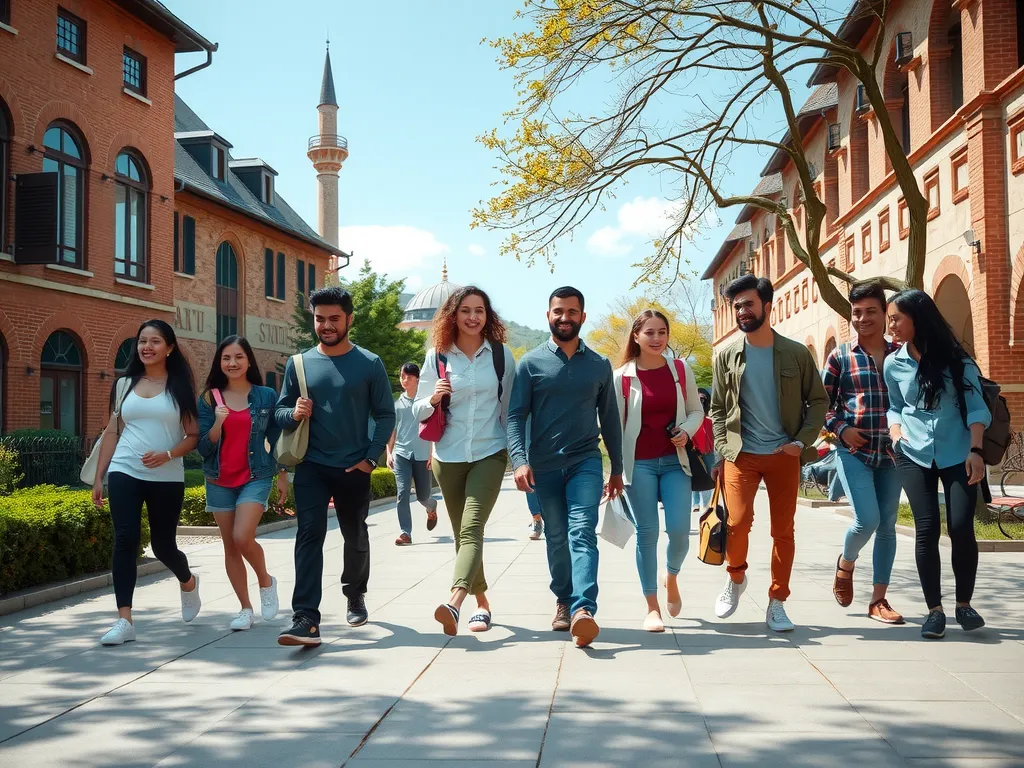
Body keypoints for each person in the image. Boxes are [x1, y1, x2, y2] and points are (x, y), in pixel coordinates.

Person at [274, 286, 396, 646]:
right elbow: (279, 413)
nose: (326, 325)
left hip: (353, 468)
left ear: (349, 320)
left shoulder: (369, 363)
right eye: (320, 319)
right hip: (310, 465)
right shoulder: (299, 364)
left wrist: (370, 458)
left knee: (355, 534)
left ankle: (354, 592)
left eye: (334, 319)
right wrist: (293, 412)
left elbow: (386, 415)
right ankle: (305, 618)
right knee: (308, 536)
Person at [507, 286, 624, 648]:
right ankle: (563, 598)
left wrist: (616, 468)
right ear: (548, 316)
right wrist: (519, 460)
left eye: (572, 312)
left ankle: (583, 609)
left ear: (582, 317)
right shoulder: (530, 363)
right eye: (558, 311)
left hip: (585, 461)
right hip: (543, 465)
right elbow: (514, 416)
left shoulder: (599, 364)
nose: (565, 317)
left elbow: (610, 418)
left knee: (582, 532)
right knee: (556, 536)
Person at [710, 275, 827, 632]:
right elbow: (717, 408)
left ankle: (777, 601)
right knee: (737, 522)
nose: (742, 311)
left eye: (748, 304)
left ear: (767, 306)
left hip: (784, 455)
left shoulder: (795, 353)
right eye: (737, 307)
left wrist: (801, 443)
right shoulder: (727, 356)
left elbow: (819, 400)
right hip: (741, 454)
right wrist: (721, 450)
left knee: (783, 531)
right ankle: (736, 577)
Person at [884, 289, 991, 639]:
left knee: (961, 526)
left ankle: (964, 604)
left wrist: (976, 451)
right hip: (912, 454)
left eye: (896, 317)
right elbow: (896, 405)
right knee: (926, 529)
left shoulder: (958, 361)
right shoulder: (893, 363)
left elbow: (977, 407)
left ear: (918, 317)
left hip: (959, 453)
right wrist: (896, 435)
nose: (891, 325)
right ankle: (935, 611)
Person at [413, 286, 516, 635]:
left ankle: (454, 602)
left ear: (488, 316)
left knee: (472, 528)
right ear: (452, 315)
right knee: (463, 536)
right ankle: (483, 604)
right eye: (466, 310)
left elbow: (512, 410)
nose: (473, 317)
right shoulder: (437, 356)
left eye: (480, 310)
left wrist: (519, 456)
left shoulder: (501, 356)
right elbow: (417, 408)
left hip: (490, 451)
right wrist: (432, 397)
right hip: (448, 455)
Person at [91, 320, 201, 646]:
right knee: (125, 539)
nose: (147, 347)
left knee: (163, 545)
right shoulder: (124, 384)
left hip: (167, 475)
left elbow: (192, 436)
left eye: (155, 341)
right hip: (125, 469)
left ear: (169, 348)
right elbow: (112, 431)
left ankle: (188, 580)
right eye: (142, 341)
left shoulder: (179, 386)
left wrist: (168, 454)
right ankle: (124, 620)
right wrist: (99, 476)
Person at [613, 310, 705, 632]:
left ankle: (671, 574)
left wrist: (687, 430)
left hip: (675, 461)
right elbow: (612, 427)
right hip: (639, 465)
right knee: (647, 533)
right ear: (636, 336)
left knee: (680, 531)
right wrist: (613, 471)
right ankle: (652, 607)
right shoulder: (622, 376)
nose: (657, 339)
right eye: (649, 332)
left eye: (662, 332)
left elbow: (697, 410)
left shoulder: (680, 370)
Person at [822, 281, 904, 625]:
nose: (863, 318)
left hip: (895, 454)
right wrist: (842, 429)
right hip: (852, 451)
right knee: (866, 519)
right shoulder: (840, 356)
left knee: (887, 525)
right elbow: (820, 406)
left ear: (885, 313)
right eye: (857, 313)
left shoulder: (903, 354)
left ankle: (879, 600)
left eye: (871, 311)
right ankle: (846, 562)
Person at [197, 335, 282, 631]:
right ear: (219, 363)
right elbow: (203, 448)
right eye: (226, 358)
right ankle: (245, 608)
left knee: (242, 536)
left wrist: (282, 473)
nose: (232, 363)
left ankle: (266, 581)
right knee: (230, 546)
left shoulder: (266, 396)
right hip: (219, 478)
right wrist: (218, 423)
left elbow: (275, 437)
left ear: (248, 361)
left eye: (238, 357)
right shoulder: (209, 398)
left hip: (256, 475)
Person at [387, 362, 439, 545]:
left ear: (418, 379)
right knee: (402, 493)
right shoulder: (396, 404)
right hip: (401, 454)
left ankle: (431, 507)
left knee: (423, 497)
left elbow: (433, 428)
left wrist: (432, 455)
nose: (405, 380)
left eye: (409, 377)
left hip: (423, 454)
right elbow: (392, 431)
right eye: (403, 377)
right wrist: (389, 453)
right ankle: (405, 533)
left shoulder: (426, 402)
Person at [690, 388, 716, 513]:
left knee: (709, 477)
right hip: (694, 449)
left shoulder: (709, 417)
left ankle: (706, 504)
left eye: (703, 398)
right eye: (698, 398)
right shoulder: (691, 416)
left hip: (709, 450)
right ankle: (695, 503)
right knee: (695, 474)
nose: (701, 401)